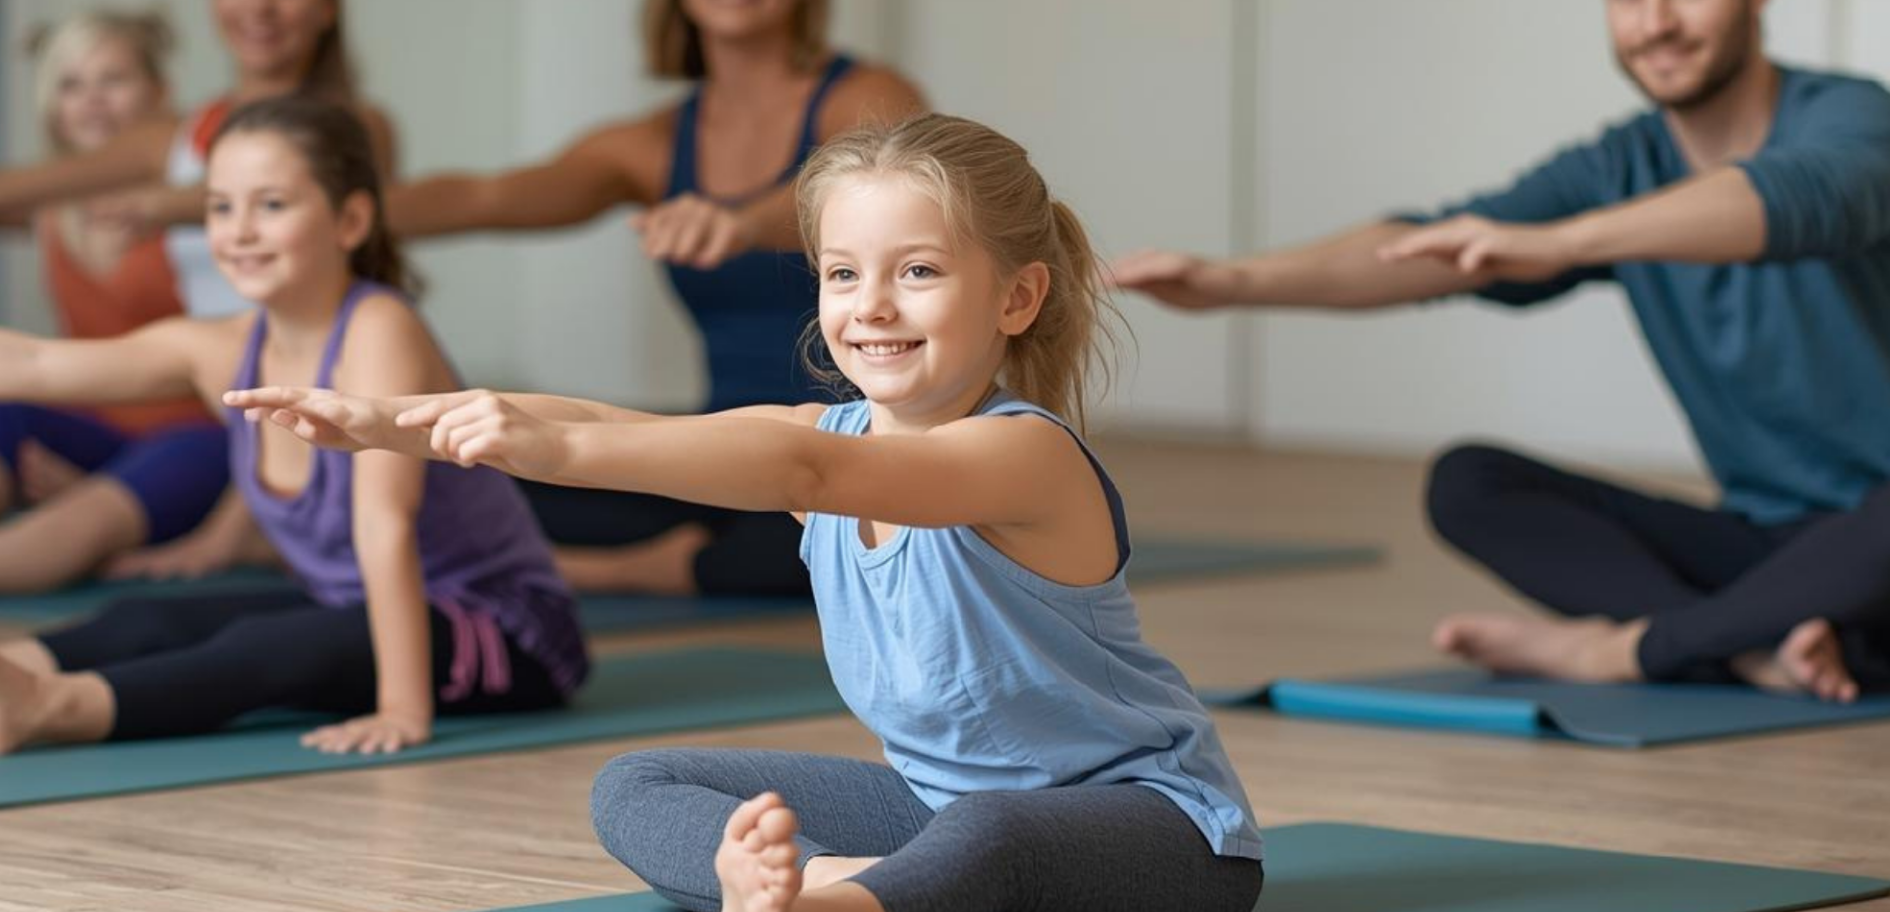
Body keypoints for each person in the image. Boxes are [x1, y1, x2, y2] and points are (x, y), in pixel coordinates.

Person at [229, 113, 1264, 912]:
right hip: (933, 815)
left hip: (1159, 838)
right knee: (639, 783)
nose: (872, 307)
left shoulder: (1022, 453)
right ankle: (816, 889)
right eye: (843, 274)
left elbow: (794, 470)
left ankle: (831, 899)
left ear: (1016, 298)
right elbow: (593, 412)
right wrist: (380, 420)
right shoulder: (844, 434)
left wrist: (547, 448)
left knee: (993, 838)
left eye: (920, 272)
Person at [1113, 0, 1890, 702]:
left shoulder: (1861, 123)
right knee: (1470, 481)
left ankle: (1635, 650)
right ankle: (1762, 650)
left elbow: (1786, 202)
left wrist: (1568, 242)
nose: (1657, 23)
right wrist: (1235, 283)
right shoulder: (1619, 168)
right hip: (1775, 554)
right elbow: (1436, 247)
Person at [386, 0, 923, 600]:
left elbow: (855, 181)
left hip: (857, 454)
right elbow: (487, 195)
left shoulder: (866, 94)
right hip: (721, 454)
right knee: (492, 472)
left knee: (835, 532)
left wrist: (739, 222)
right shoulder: (651, 145)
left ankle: (630, 570)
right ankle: (680, 547)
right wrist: (329, 214)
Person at [0, 97, 585, 756]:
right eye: (221, 207)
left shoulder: (377, 329)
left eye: (271, 205)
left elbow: (384, 523)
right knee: (147, 619)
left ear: (351, 219)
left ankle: (48, 708)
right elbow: (39, 363)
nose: (240, 231)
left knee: (271, 646)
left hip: (501, 631)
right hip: (350, 612)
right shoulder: (221, 348)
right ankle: (16, 672)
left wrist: (400, 708)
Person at [0, 0, 399, 321]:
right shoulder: (174, 136)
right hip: (218, 376)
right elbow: (27, 184)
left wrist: (160, 205)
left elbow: (290, 186)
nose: (259, 6)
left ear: (327, 6)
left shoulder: (357, 125)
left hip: (322, 374)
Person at [0, 10, 239, 593]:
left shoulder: (202, 203)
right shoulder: (48, 208)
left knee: (78, 521)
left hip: (198, 435)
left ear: (159, 94)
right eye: (72, 84)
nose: (92, 102)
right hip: (90, 427)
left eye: (114, 80)